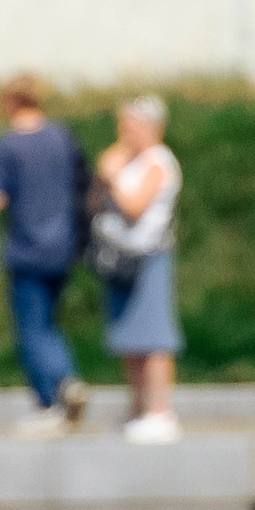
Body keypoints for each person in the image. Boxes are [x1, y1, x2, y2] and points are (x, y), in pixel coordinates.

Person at [0, 73, 90, 436]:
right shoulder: (62, 136)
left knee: (32, 328)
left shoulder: (8, 144)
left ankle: (53, 395)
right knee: (51, 322)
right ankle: (67, 383)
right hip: (64, 245)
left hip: (26, 248)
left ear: (11, 100)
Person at [92, 94, 184, 446]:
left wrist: (114, 178)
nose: (123, 132)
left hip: (148, 258)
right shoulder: (131, 159)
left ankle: (160, 411)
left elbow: (134, 206)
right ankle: (137, 408)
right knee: (129, 338)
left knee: (154, 337)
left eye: (130, 126)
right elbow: (103, 176)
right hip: (120, 258)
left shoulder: (159, 163)